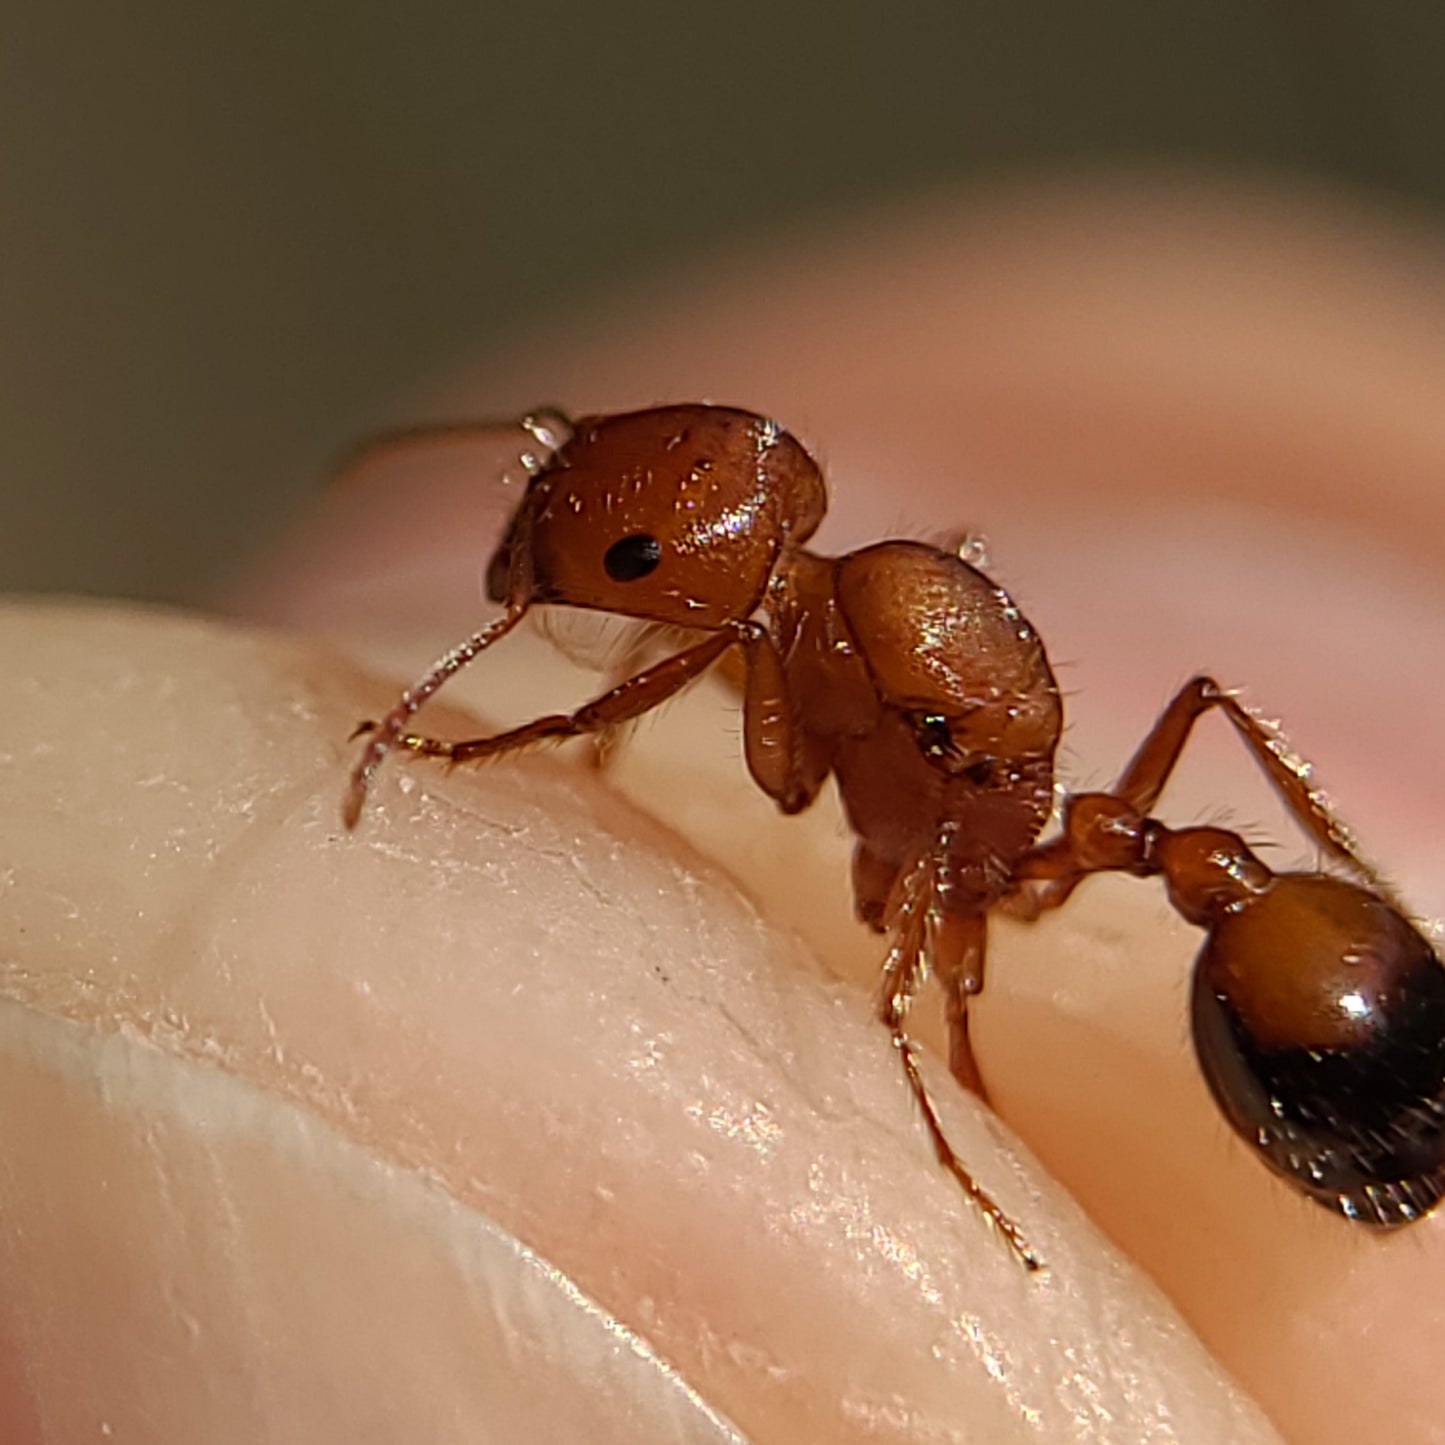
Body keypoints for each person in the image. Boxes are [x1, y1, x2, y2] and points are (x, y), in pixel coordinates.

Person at [4, 174, 1442, 1443]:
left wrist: (929, 1061)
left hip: (1296, 1016)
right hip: (1108, 862)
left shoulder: (839, 643)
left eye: (620, 555)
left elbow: (943, 830)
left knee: (1130, 749)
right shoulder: (806, 627)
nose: (588, 586)